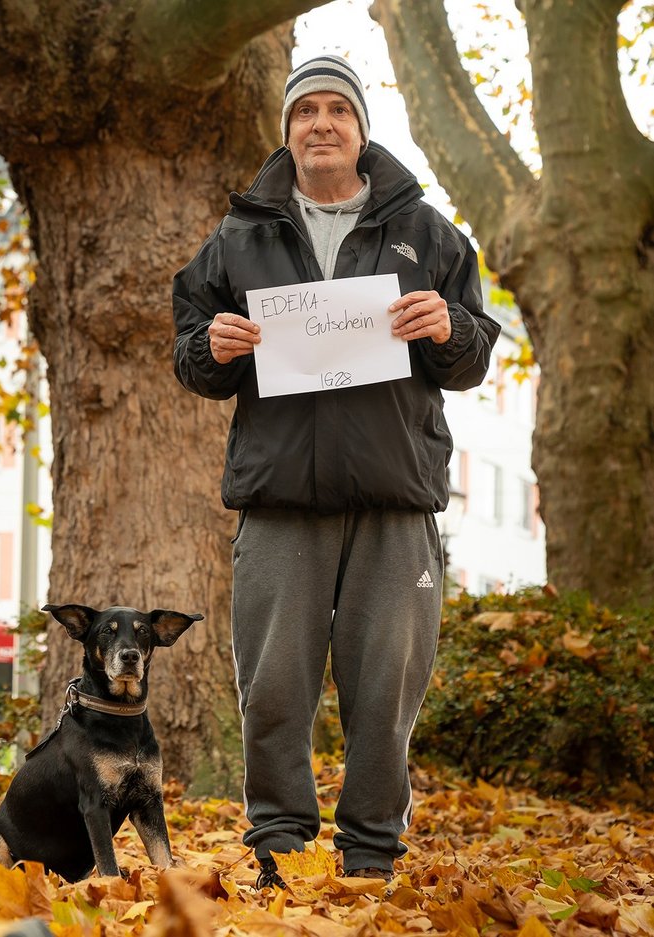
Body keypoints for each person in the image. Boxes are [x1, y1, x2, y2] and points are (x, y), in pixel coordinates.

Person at [172, 55, 500, 888]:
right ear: (287, 131)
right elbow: (191, 353)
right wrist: (208, 347)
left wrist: (448, 326)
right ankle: (278, 850)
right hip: (278, 502)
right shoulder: (237, 236)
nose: (320, 123)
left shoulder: (425, 232)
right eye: (304, 111)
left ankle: (369, 857)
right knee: (273, 692)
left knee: (385, 692)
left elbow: (472, 355)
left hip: (395, 502)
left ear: (360, 129)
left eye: (336, 111)